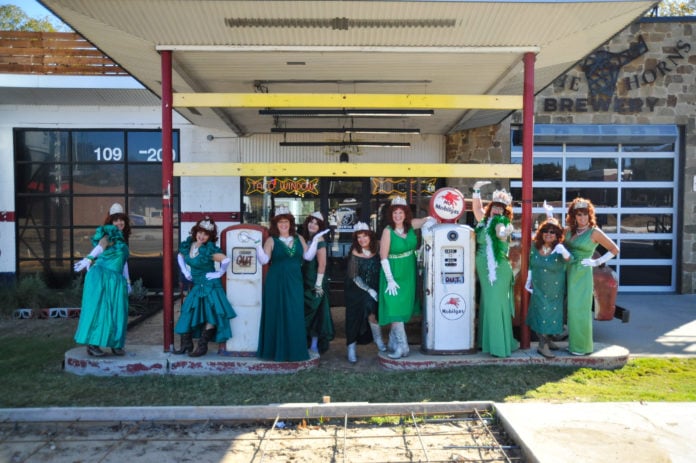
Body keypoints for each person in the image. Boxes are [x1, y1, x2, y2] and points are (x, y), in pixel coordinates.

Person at [255, 206, 329, 361]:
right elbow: (264, 260)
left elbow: (308, 256)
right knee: (275, 313)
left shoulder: (299, 238)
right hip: (275, 282)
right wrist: (256, 245)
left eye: (286, 221)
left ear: (291, 223)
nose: (284, 225)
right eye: (280, 222)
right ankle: (273, 351)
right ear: (276, 224)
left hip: (295, 281)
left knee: (294, 313)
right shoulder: (271, 240)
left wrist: (315, 240)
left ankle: (295, 350)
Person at [379, 196, 436, 359]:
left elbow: (426, 220)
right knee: (394, 308)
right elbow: (383, 256)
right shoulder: (387, 231)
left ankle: (392, 343)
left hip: (409, 273)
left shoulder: (410, 226)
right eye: (395, 213)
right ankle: (403, 347)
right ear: (391, 215)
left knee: (403, 309)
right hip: (393, 273)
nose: (398, 215)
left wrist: (432, 220)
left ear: (405, 214)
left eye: (401, 212)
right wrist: (390, 279)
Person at [73, 202, 132, 357]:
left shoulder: (122, 239)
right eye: (115, 220)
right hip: (102, 277)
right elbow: (102, 243)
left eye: (121, 220)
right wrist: (89, 258)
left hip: (116, 280)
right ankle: (93, 345)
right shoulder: (109, 233)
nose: (119, 223)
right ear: (110, 222)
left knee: (118, 312)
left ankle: (116, 344)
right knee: (100, 310)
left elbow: (123, 262)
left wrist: (128, 281)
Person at [174, 216, 237, 357]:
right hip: (197, 284)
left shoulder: (208, 250)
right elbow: (180, 256)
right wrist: (185, 271)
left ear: (210, 237)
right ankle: (186, 344)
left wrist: (219, 273)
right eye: (200, 233)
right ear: (196, 232)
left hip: (210, 285)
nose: (202, 236)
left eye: (206, 234)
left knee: (210, 314)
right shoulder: (189, 245)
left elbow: (226, 259)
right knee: (187, 311)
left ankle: (202, 346)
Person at [564, 197, 620, 355]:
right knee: (571, 311)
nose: (582, 218)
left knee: (579, 309)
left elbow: (615, 249)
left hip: (582, 274)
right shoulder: (570, 231)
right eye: (578, 215)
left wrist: (597, 262)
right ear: (573, 216)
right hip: (568, 271)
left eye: (585, 214)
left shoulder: (594, 232)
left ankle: (582, 347)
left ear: (590, 215)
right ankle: (574, 344)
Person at [471, 181, 519, 358]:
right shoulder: (485, 222)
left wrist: (505, 232)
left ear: (505, 211)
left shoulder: (501, 222)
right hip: (484, 268)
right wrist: (476, 189)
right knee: (487, 303)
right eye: (495, 207)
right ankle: (488, 343)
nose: (497, 210)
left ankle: (500, 347)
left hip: (498, 268)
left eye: (501, 208)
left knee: (495, 304)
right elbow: (477, 210)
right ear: (490, 208)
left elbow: (500, 232)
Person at [524, 202, 571, 359]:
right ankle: (543, 345)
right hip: (538, 287)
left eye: (552, 232)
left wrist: (563, 252)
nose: (548, 234)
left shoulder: (559, 248)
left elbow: (570, 260)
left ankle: (546, 343)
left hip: (554, 289)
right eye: (545, 231)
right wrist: (528, 280)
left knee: (552, 315)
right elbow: (531, 263)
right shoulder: (534, 246)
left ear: (558, 235)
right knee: (541, 314)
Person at [344, 221, 384, 363]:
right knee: (353, 318)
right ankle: (351, 348)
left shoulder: (378, 249)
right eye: (359, 237)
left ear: (370, 236)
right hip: (356, 290)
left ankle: (379, 342)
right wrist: (369, 290)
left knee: (372, 313)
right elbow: (354, 276)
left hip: (374, 287)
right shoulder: (355, 252)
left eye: (364, 236)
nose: (362, 240)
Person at [300, 211, 335, 355]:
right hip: (303, 279)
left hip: (315, 281)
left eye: (316, 223)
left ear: (320, 227)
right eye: (311, 221)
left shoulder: (319, 239)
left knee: (317, 312)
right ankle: (305, 341)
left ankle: (314, 345)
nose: (313, 225)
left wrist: (318, 284)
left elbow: (322, 264)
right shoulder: (304, 238)